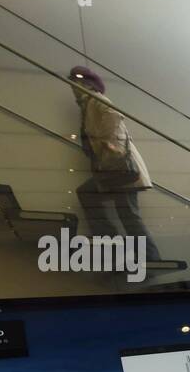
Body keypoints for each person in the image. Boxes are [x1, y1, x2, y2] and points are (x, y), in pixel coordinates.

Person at [68, 66, 161, 261]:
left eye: (76, 83)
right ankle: (114, 244)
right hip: (111, 168)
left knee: (128, 215)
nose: (73, 87)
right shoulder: (87, 106)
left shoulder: (96, 100)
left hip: (119, 166)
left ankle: (152, 259)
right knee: (115, 208)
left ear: (87, 84)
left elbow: (115, 117)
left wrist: (108, 144)